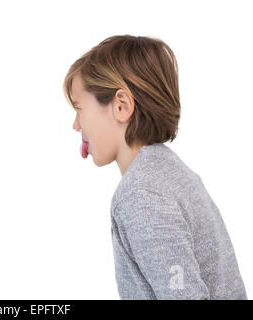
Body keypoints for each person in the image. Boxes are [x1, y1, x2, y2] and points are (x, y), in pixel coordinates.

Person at [63, 35, 247, 299]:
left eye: (79, 109)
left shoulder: (142, 194)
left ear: (121, 106)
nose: (76, 125)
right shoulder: (168, 171)